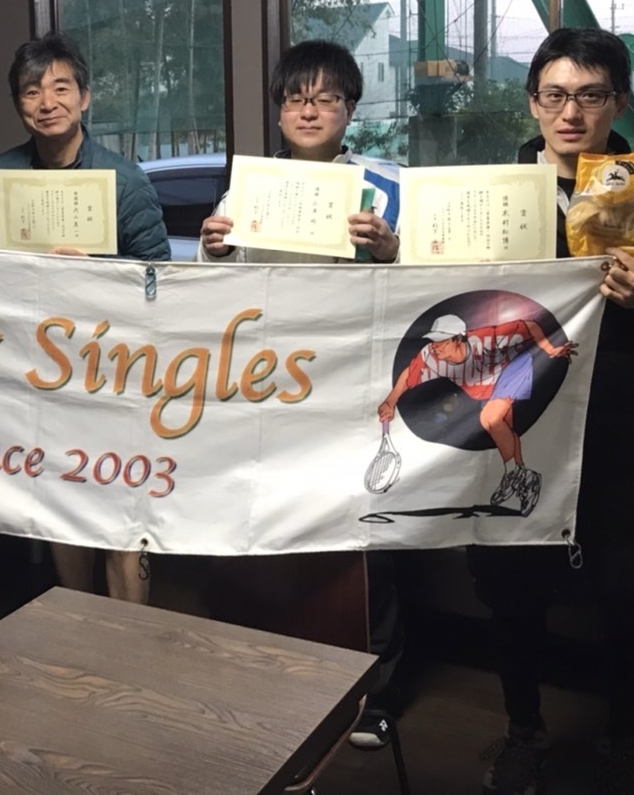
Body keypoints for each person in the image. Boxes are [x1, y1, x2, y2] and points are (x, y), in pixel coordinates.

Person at [471, 28, 634, 795]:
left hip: (629, 439)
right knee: (512, 594)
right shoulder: (488, 199)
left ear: (619, 101)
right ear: (533, 102)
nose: (571, 113)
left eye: (590, 95)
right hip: (519, 430)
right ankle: (522, 731)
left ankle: (627, 738)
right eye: (554, 95)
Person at [197, 38, 405, 750]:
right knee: (272, 526)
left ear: (350, 108)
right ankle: (269, 677)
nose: (309, 111)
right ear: (279, 110)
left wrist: (391, 251)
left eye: (325, 98)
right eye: (295, 98)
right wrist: (214, 251)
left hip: (356, 387)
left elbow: (427, 286)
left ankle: (371, 696)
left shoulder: (384, 187)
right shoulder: (247, 190)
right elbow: (218, 298)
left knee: (366, 534)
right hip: (272, 388)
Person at [0, 31, 169, 603]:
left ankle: (132, 632)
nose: (47, 102)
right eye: (32, 91)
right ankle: (77, 622)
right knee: (62, 499)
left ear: (84, 97)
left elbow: (160, 278)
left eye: (60, 88)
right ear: (18, 104)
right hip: (36, 366)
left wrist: (97, 272)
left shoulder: (125, 179)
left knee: (124, 504)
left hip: (114, 365)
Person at [379, 314, 577, 517]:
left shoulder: (485, 340)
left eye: (441, 341)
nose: (435, 347)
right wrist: (390, 402)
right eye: (434, 340)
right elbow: (408, 374)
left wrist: (550, 350)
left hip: (513, 367)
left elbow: (530, 326)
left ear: (458, 338)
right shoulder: (430, 356)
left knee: (489, 418)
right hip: (486, 387)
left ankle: (518, 476)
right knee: (503, 429)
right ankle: (521, 477)